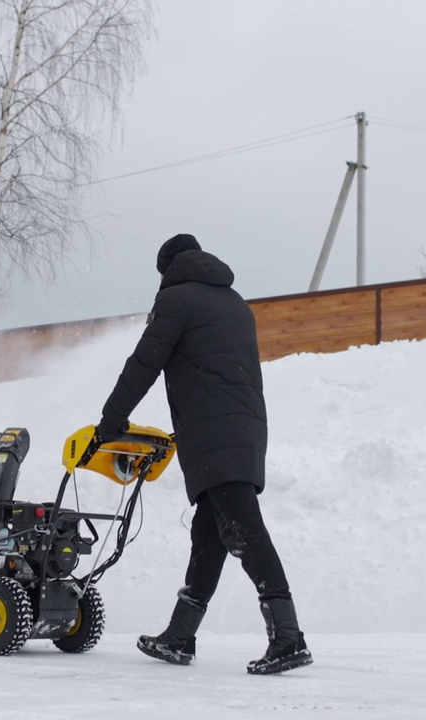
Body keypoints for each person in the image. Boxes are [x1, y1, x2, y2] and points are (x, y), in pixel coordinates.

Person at [94, 233, 312, 676]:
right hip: (246, 429)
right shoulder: (236, 303)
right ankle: (181, 635)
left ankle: (289, 638)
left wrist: (110, 422)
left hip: (213, 433)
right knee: (210, 533)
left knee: (245, 529)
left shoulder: (176, 301)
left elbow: (144, 363)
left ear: (168, 268)